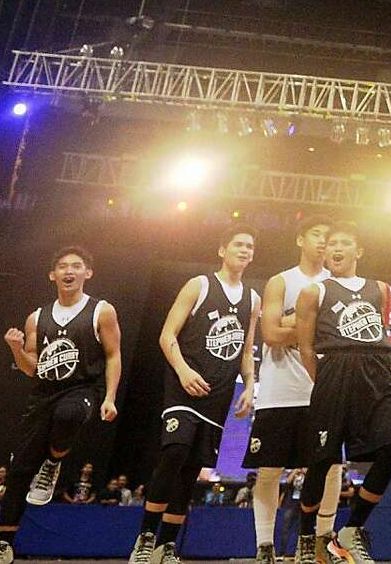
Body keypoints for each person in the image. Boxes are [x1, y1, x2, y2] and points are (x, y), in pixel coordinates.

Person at [133, 227, 261, 564]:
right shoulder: (200, 285)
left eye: (250, 246)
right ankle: (145, 539)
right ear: (222, 250)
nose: (245, 250)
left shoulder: (252, 298)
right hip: (184, 384)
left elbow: (246, 350)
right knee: (175, 452)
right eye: (238, 244)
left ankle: (167, 545)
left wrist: (249, 386)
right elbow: (167, 335)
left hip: (217, 394)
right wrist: (184, 370)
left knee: (192, 467)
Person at [0, 244, 122, 564]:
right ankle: (4, 544)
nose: (69, 271)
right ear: (52, 275)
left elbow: (113, 354)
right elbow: (31, 367)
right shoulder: (37, 317)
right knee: (20, 469)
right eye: (63, 266)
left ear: (87, 273)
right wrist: (16, 348)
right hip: (43, 394)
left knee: (70, 413)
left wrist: (109, 396)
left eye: (76, 266)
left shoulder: (101, 310)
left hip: (83, 388)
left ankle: (53, 462)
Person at [296, 223, 391, 564]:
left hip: (376, 373)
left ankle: (351, 529)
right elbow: (305, 347)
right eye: (331, 245)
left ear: (359, 251)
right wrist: (325, 382)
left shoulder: (381, 289)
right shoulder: (315, 292)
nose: (336, 249)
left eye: (344, 243)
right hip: (335, 373)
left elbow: (382, 331)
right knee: (322, 461)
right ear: (325, 253)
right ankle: (305, 537)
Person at [248, 217, 339, 564]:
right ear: (300, 238)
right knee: (269, 470)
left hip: (322, 389)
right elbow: (270, 334)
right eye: (317, 234)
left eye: (329, 237)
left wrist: (294, 323)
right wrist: (311, 328)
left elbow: (337, 337)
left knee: (330, 468)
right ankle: (264, 546)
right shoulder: (281, 281)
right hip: (279, 390)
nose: (323, 242)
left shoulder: (336, 285)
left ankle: (319, 545)